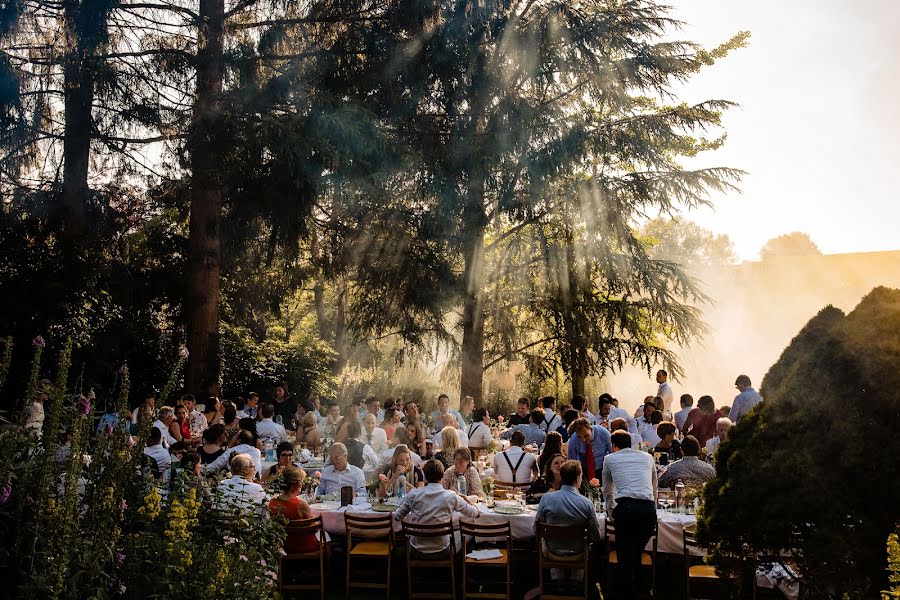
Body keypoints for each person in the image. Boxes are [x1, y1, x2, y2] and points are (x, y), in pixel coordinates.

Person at [602, 430, 658, 600]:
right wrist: (652, 505)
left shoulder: (609, 459)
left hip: (626, 509)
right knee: (636, 551)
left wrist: (611, 512)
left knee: (625, 555)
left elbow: (607, 490)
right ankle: (641, 587)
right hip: (647, 510)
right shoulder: (647, 457)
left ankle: (628, 592)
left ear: (613, 445)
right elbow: (654, 484)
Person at [393, 459, 480, 557]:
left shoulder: (413, 495)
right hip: (443, 550)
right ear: (442, 475)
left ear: (425, 477)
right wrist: (464, 497)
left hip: (416, 550)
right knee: (468, 531)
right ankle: (460, 568)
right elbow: (476, 513)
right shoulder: (451, 496)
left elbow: (397, 516)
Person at [534, 459, 601, 585]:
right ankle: (576, 582)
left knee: (548, 541)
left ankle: (557, 581)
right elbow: (595, 536)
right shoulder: (586, 503)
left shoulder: (547, 498)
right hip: (578, 552)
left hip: (552, 550)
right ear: (578, 479)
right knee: (587, 545)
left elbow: (536, 529)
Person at [268, 466, 319, 554]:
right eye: (301, 482)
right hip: (303, 545)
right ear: (297, 484)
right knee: (327, 537)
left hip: (283, 546)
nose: (302, 484)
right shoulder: (300, 504)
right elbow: (314, 528)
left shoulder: (272, 502)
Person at [566, 417, 612, 483]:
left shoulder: (604, 433)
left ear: (590, 429)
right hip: (585, 471)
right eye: (579, 437)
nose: (583, 440)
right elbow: (572, 462)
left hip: (603, 469)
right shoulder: (573, 440)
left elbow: (613, 453)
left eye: (586, 435)